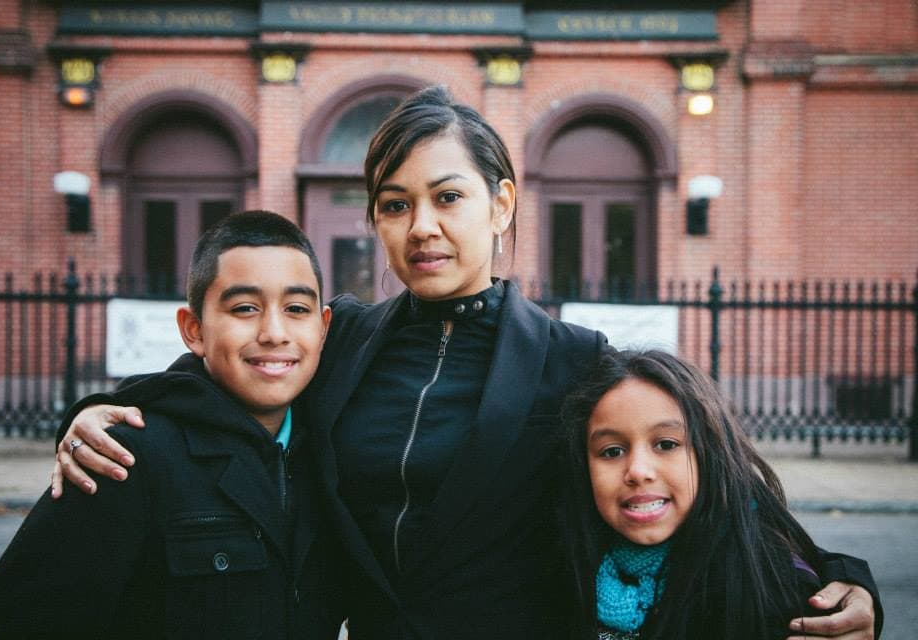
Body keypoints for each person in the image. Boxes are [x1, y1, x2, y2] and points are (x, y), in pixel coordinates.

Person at [50, 87, 880, 639]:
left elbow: (712, 481)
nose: (422, 227)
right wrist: (95, 412)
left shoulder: (575, 361)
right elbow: (214, 379)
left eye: (447, 197)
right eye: (395, 205)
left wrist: (846, 578)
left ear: (501, 203)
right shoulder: (341, 344)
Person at [0, 211, 341, 639]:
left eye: (296, 308)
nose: (274, 332)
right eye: (244, 308)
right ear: (194, 329)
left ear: (323, 327)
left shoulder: (333, 451)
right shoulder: (122, 458)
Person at [560, 349, 874, 639]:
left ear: (709, 453)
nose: (639, 470)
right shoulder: (571, 559)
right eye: (612, 451)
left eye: (667, 444)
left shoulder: (760, 583)